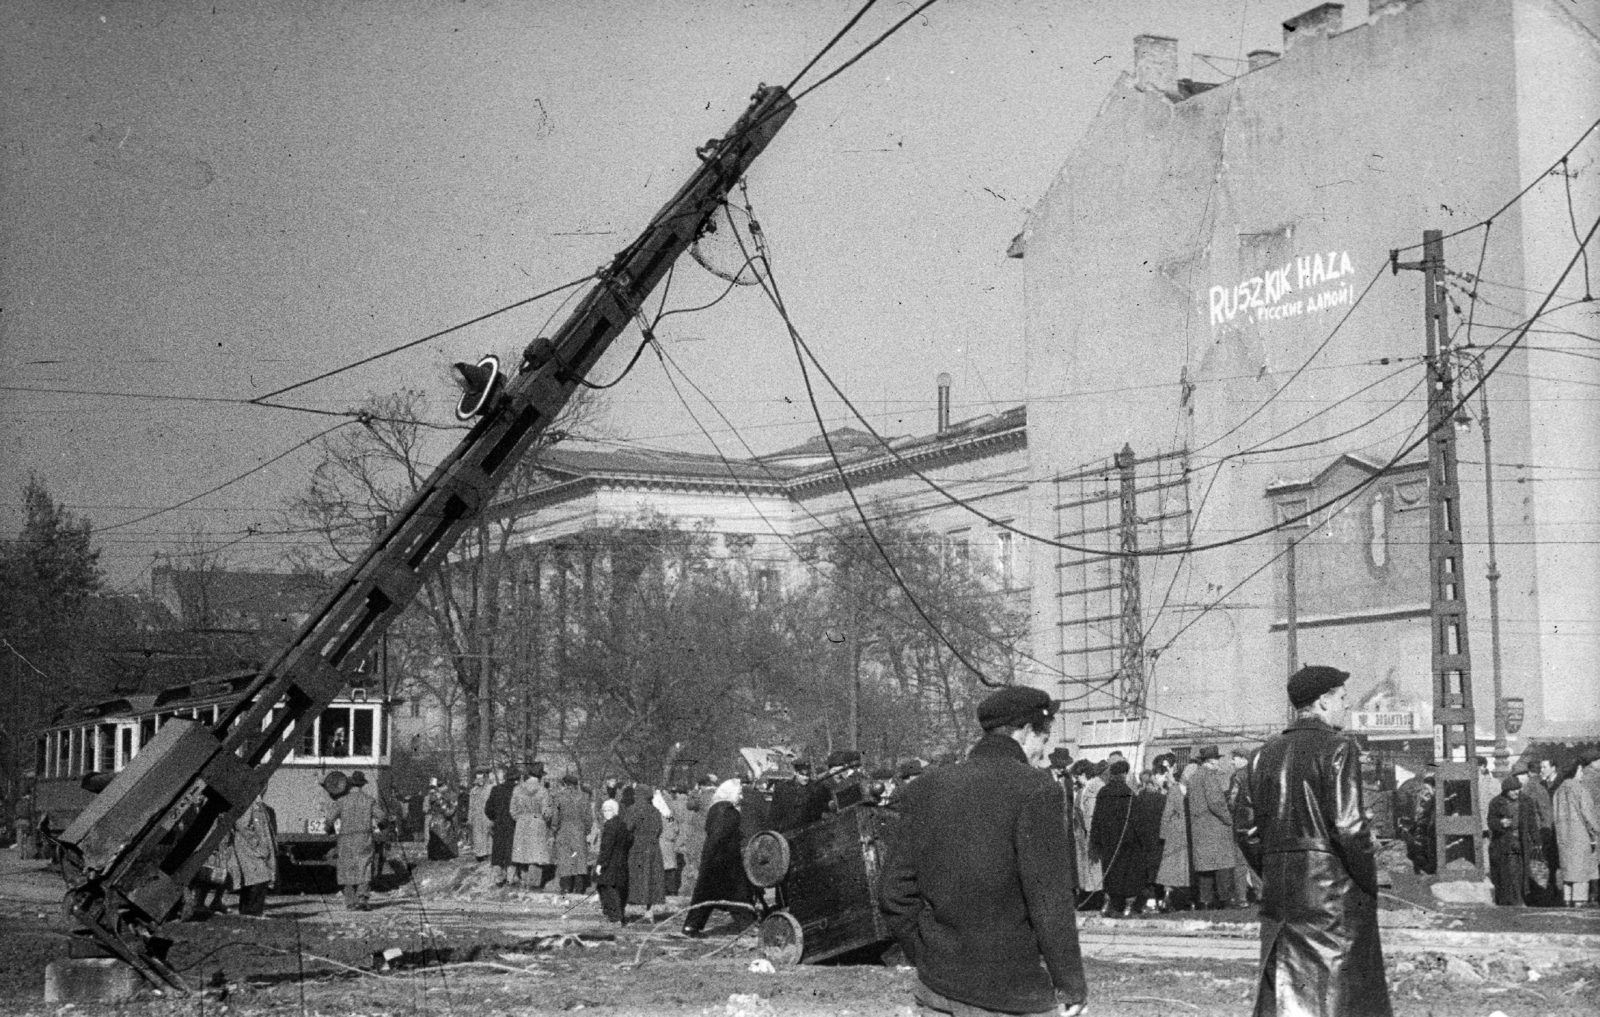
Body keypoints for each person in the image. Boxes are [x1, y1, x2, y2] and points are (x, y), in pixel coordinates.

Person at [880, 685, 1087, 1017]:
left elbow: (893, 892)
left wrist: (928, 956)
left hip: (937, 988)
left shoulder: (925, 789)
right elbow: (1050, 902)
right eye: (1043, 741)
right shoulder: (1037, 790)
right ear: (1024, 731)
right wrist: (1069, 986)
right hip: (1008, 995)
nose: (1042, 754)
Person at [1235, 664, 1389, 1017]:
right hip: (1331, 896)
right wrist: (1367, 879)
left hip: (1280, 893)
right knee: (1337, 993)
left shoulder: (1260, 756)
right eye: (1342, 698)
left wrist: (1274, 867)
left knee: (1283, 989)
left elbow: (1245, 830)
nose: (1347, 706)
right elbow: (1349, 827)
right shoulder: (1338, 748)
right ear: (1322, 702)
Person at [682, 778, 759, 937]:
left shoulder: (718, 807)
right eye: (739, 793)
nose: (741, 797)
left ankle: (691, 926)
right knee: (738, 894)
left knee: (706, 895)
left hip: (719, 860)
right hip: (723, 861)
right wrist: (709, 860)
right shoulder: (725, 810)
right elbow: (716, 837)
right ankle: (747, 925)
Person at [1188, 745, 1243, 910]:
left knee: (1205, 868)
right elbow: (1216, 802)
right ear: (1212, 761)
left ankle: (1205, 900)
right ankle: (1225, 899)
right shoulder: (1209, 777)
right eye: (1218, 760)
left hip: (1199, 828)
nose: (1219, 763)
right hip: (1215, 828)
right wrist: (1228, 819)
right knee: (1223, 865)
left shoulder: (1194, 777)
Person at [1091, 759, 1148, 917]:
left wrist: (1095, 840)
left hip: (1108, 841)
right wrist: (1143, 841)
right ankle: (1128, 907)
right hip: (1127, 842)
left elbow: (1096, 818)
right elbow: (1137, 821)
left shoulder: (1103, 792)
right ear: (1124, 774)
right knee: (1128, 874)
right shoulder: (1128, 794)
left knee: (1110, 873)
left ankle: (1110, 905)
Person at [328, 770, 386, 911]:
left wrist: (329, 831)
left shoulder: (341, 801)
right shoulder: (369, 801)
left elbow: (329, 820)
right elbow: (382, 817)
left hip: (346, 839)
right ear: (362, 785)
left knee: (347, 868)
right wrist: (382, 827)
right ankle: (363, 898)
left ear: (350, 785)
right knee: (364, 867)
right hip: (364, 838)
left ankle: (350, 901)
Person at [1552, 753, 1598, 908]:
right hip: (1581, 839)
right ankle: (1579, 903)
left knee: (1568, 874)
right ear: (1578, 769)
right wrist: (1594, 836)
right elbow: (1589, 817)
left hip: (1563, 838)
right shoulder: (1580, 789)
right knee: (1580, 875)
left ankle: (1567, 901)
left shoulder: (1559, 790)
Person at [1516, 761, 1559, 906]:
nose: (1519, 778)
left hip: (1537, 835)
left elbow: (1546, 815)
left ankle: (1544, 898)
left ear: (1527, 775)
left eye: (1521, 775)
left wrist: (1544, 836)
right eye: (1516, 775)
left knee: (1540, 869)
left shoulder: (1537, 789)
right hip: (1526, 836)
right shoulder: (1518, 790)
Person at [1153, 754, 1192, 912]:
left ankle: (1168, 897)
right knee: (1183, 869)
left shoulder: (1175, 790)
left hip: (1175, 833)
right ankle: (1181, 900)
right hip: (1187, 832)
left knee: (1170, 868)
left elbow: (1167, 814)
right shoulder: (1190, 791)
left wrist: (1163, 835)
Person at [625, 783, 667, 919]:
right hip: (653, 847)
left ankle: (625, 909)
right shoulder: (654, 810)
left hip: (637, 846)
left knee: (633, 877)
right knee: (651, 878)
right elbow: (659, 828)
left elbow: (628, 828)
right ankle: (649, 910)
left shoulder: (633, 809)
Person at [232, 796, 278, 917]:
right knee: (260, 878)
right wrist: (257, 843)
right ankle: (252, 912)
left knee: (254, 880)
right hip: (250, 849)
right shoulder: (250, 804)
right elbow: (241, 824)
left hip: (254, 849)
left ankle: (248, 912)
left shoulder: (259, 805)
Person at [510, 762, 555, 888]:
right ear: (540, 776)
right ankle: (534, 884)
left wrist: (521, 819)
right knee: (536, 855)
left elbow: (513, 810)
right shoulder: (543, 791)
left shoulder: (517, 789)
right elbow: (547, 813)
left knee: (523, 854)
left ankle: (524, 883)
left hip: (522, 823)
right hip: (538, 823)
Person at [551, 772, 593, 898]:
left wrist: (554, 829)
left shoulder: (559, 797)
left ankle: (565, 888)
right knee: (579, 859)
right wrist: (586, 830)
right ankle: (579, 888)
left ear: (565, 784)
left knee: (565, 859)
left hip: (563, 830)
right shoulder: (584, 797)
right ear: (576, 784)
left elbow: (555, 817)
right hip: (579, 830)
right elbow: (589, 818)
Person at [1070, 759, 1103, 911]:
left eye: (1077, 776)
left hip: (1090, 835)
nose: (1076, 780)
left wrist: (1091, 836)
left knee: (1093, 870)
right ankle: (1090, 899)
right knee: (1090, 871)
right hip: (1086, 836)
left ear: (1083, 774)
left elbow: (1091, 815)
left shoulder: (1092, 788)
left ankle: (1093, 901)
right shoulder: (1090, 787)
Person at [1487, 775, 1524, 906]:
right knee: (1505, 874)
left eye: (1518, 789)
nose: (1516, 792)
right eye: (1513, 790)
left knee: (1518, 873)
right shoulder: (1496, 802)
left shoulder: (1524, 801)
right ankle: (1509, 902)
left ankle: (1518, 900)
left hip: (1521, 841)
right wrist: (1500, 823)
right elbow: (1491, 822)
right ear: (1506, 790)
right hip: (1503, 843)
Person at [594, 798, 631, 924]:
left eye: (609, 810)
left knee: (606, 887)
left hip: (610, 862)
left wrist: (600, 864)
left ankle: (614, 916)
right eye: (604, 810)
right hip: (621, 861)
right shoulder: (622, 824)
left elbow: (606, 847)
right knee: (616, 888)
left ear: (615, 811)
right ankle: (617, 914)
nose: (606, 812)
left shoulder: (609, 826)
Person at [486, 765, 519, 887]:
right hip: (514, 824)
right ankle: (511, 877)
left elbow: (488, 809)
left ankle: (499, 878)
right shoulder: (518, 790)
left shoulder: (496, 789)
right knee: (511, 849)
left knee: (498, 850)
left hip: (499, 824)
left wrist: (494, 818)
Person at [468, 767, 494, 863]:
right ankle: (480, 855)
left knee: (488, 835)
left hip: (487, 815)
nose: (480, 781)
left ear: (485, 778)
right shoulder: (473, 791)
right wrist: (470, 818)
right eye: (478, 779)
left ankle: (490, 854)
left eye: (481, 778)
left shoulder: (490, 788)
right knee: (478, 837)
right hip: (477, 817)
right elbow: (471, 806)